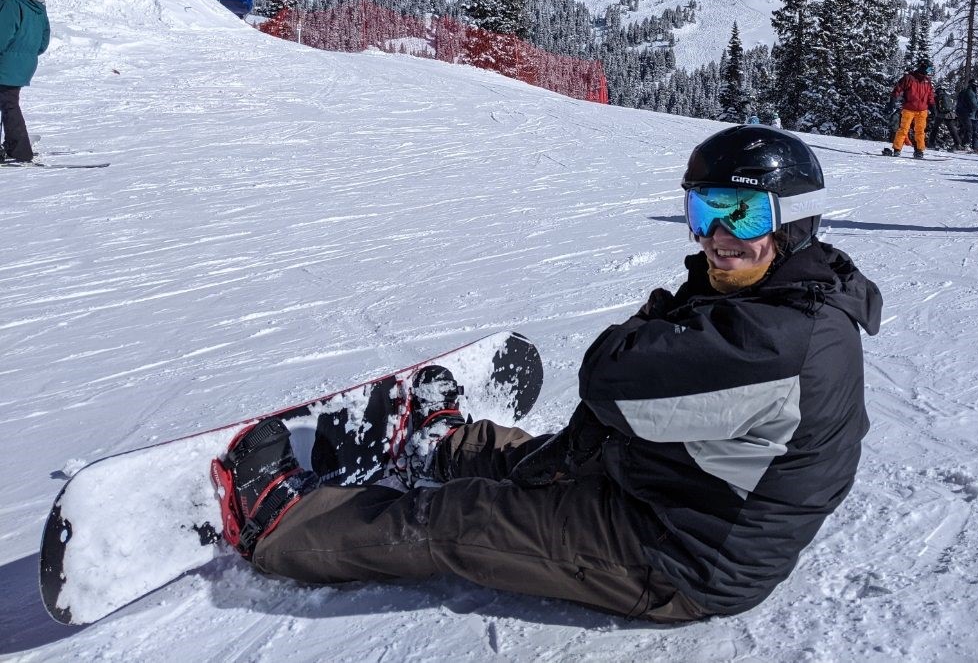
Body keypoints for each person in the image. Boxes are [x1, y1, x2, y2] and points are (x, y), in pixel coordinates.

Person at [214, 125, 882, 622]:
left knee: (459, 521)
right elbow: (618, 417)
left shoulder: (779, 339)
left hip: (681, 556)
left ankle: (282, 530)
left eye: (740, 213)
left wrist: (652, 323)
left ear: (792, 221)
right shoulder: (789, 289)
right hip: (683, 490)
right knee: (555, 454)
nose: (714, 236)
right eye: (703, 212)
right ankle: (445, 446)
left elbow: (609, 378)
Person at [0, 0, 50, 164]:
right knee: (9, 102)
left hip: (6, 65)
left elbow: (1, 35)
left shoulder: (13, 5)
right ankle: (15, 145)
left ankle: (20, 150)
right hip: (24, 66)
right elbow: (43, 42)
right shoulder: (38, 6)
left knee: (9, 104)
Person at [884, 63, 936, 158]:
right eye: (929, 70)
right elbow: (897, 89)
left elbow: (930, 95)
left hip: (922, 110)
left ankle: (919, 151)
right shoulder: (909, 78)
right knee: (904, 129)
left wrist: (933, 106)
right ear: (923, 69)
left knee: (920, 131)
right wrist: (892, 101)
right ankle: (897, 149)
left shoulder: (927, 81)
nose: (929, 73)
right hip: (909, 108)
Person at [954, 80, 978, 151]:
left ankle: (958, 144)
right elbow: (974, 105)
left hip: (961, 112)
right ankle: (965, 144)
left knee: (963, 129)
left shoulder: (965, 91)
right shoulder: (970, 93)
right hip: (965, 112)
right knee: (969, 129)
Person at [927, 84, 959, 149]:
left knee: (935, 129)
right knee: (952, 129)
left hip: (939, 115)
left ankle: (931, 143)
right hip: (948, 114)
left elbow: (933, 106)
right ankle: (958, 143)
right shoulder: (947, 95)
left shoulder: (936, 96)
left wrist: (933, 113)